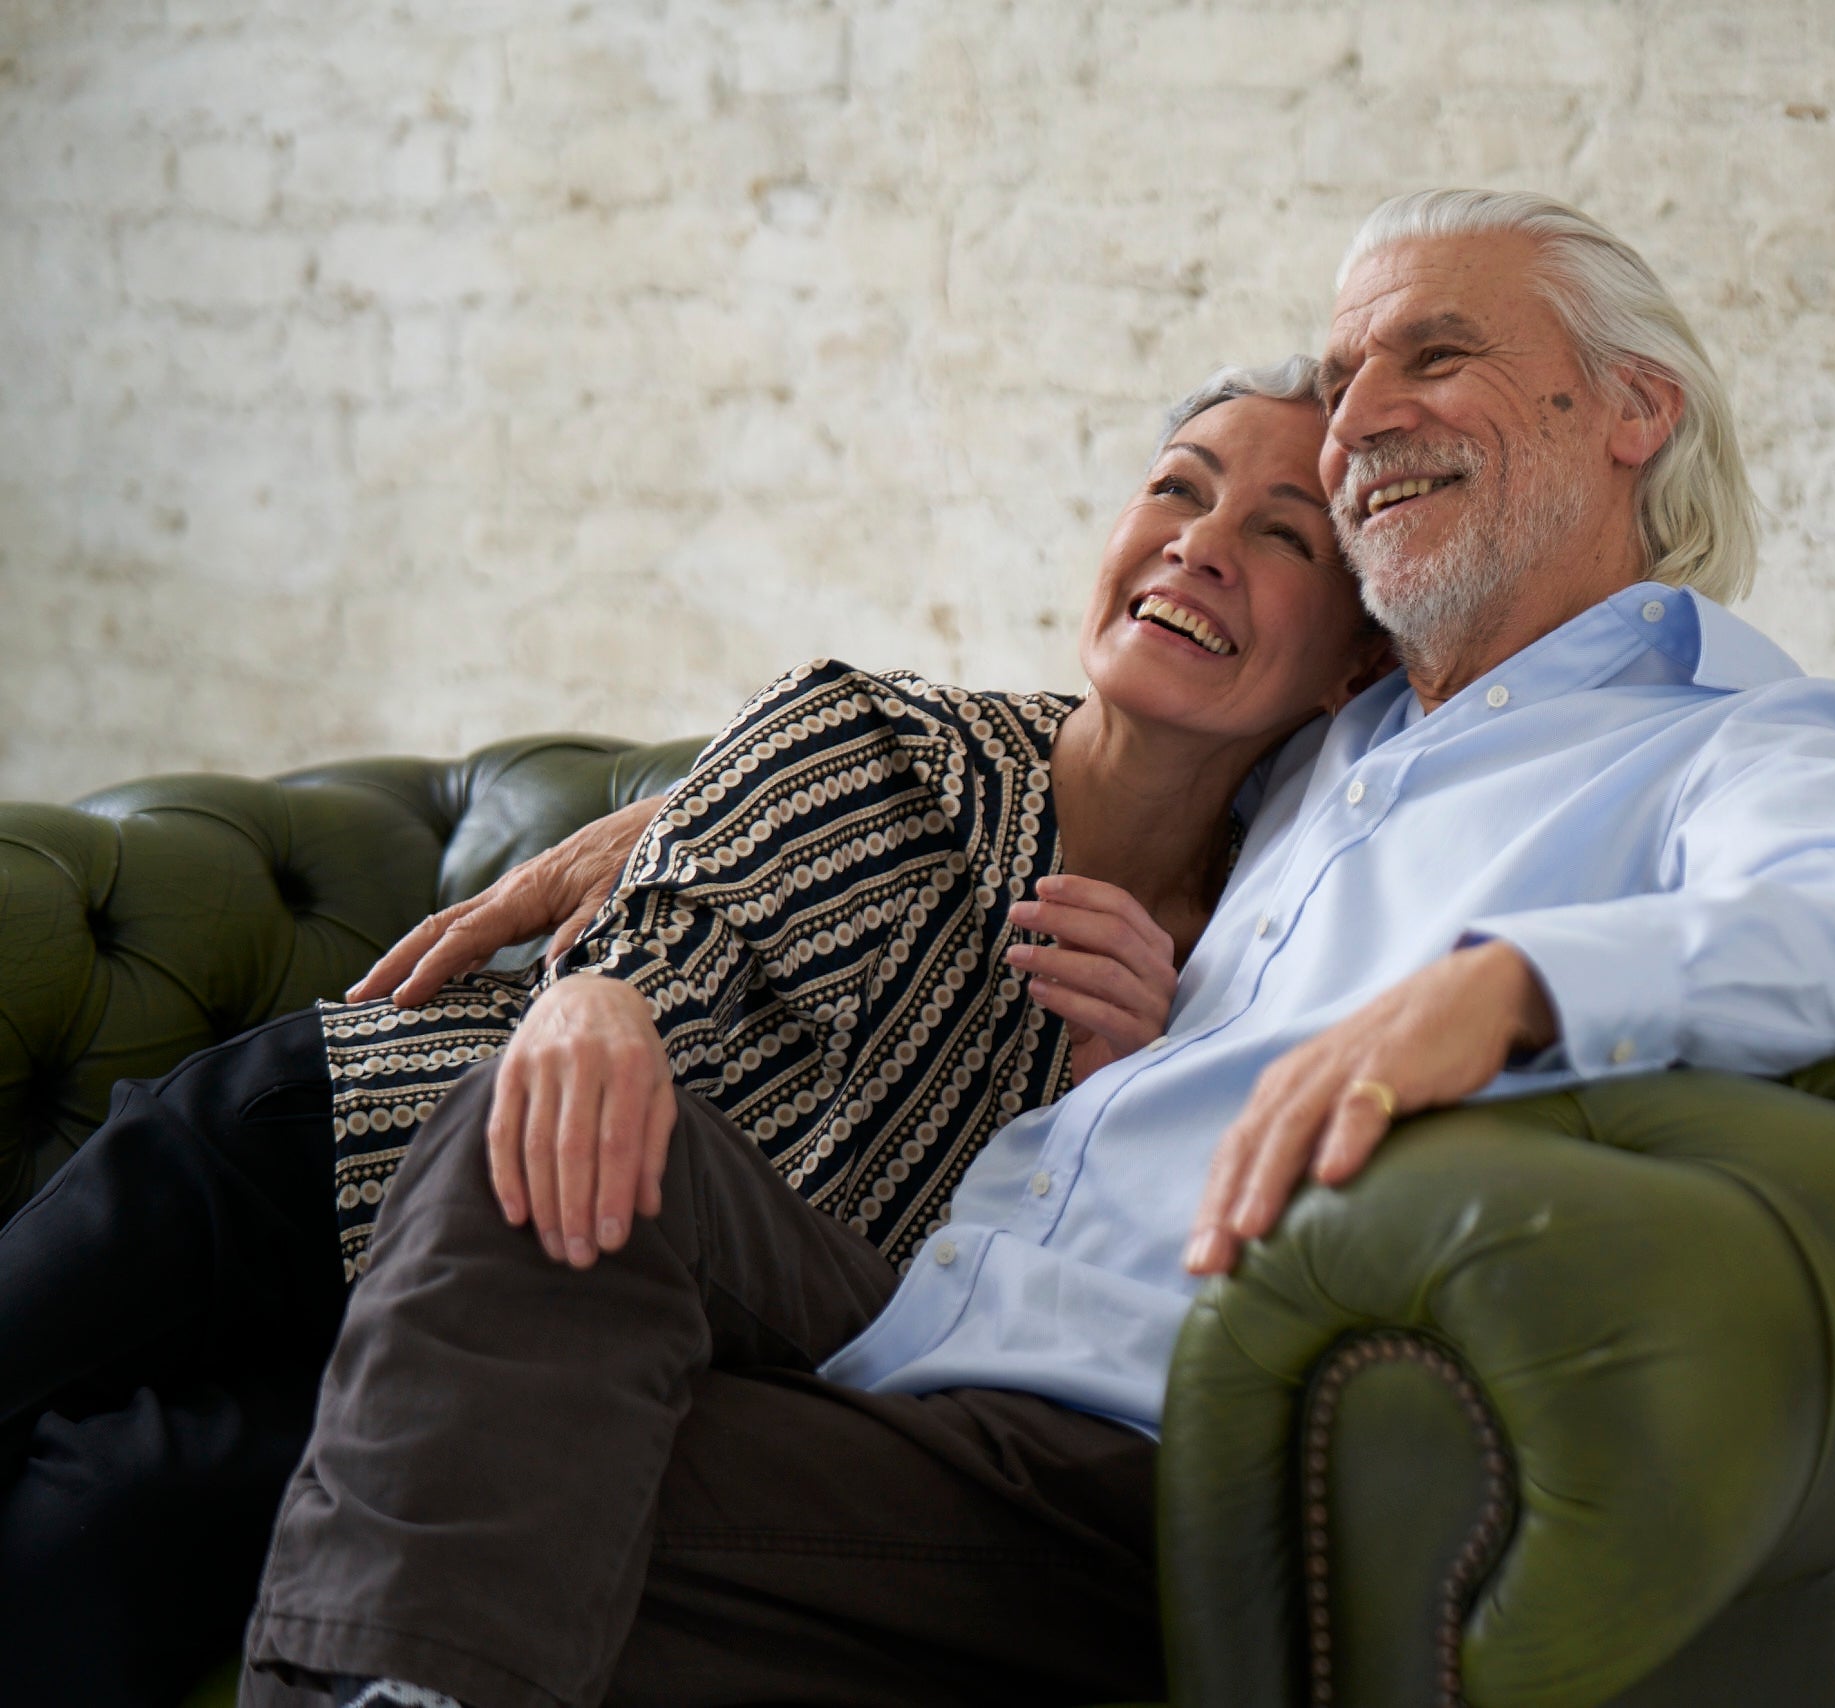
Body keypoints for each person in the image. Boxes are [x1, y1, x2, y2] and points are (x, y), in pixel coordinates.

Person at [240, 190, 1835, 1708]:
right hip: (929, 1308)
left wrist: (1507, 986)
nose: (1360, 420)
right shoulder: (1334, 744)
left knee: (411, 1472)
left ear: (1631, 407)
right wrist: (655, 836)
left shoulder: (1731, 738)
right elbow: (1070, 731)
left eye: (1435, 354)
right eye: (1344, 384)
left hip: (1120, 1448)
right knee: (512, 1139)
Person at [0, 364, 1387, 1708]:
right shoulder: (880, 744)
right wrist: (599, 988)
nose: (1201, 545)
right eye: (1177, 488)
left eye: (1281, 536)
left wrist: (1130, 1085)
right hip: (326, 1153)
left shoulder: (1238, 982)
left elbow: (1026, 1312)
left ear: (1350, 668)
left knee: (119, 1512)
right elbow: (645, 971)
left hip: (511, 1339)